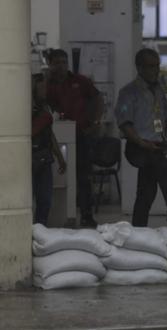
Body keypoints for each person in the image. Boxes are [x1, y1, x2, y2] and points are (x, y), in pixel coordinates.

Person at [115, 48, 167, 227]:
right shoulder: (129, 92)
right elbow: (124, 123)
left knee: (146, 191)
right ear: (139, 67)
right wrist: (142, 143)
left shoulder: (158, 90)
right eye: (151, 66)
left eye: (157, 66)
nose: (156, 70)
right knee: (163, 165)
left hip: (156, 145)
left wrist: (165, 139)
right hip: (137, 146)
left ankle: (138, 229)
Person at [46, 49, 104, 227]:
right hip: (55, 137)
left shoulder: (79, 81)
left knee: (84, 176)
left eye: (64, 62)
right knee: (57, 177)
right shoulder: (47, 85)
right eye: (57, 62)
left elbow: (98, 98)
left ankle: (86, 215)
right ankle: (57, 214)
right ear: (50, 64)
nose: (61, 66)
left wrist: (95, 122)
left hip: (82, 134)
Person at [31, 73, 67, 226]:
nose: (45, 90)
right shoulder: (26, 108)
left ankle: (41, 228)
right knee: (28, 200)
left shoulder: (45, 106)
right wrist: (43, 119)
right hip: (30, 158)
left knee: (45, 199)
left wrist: (59, 157)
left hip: (45, 157)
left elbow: (50, 135)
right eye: (41, 87)